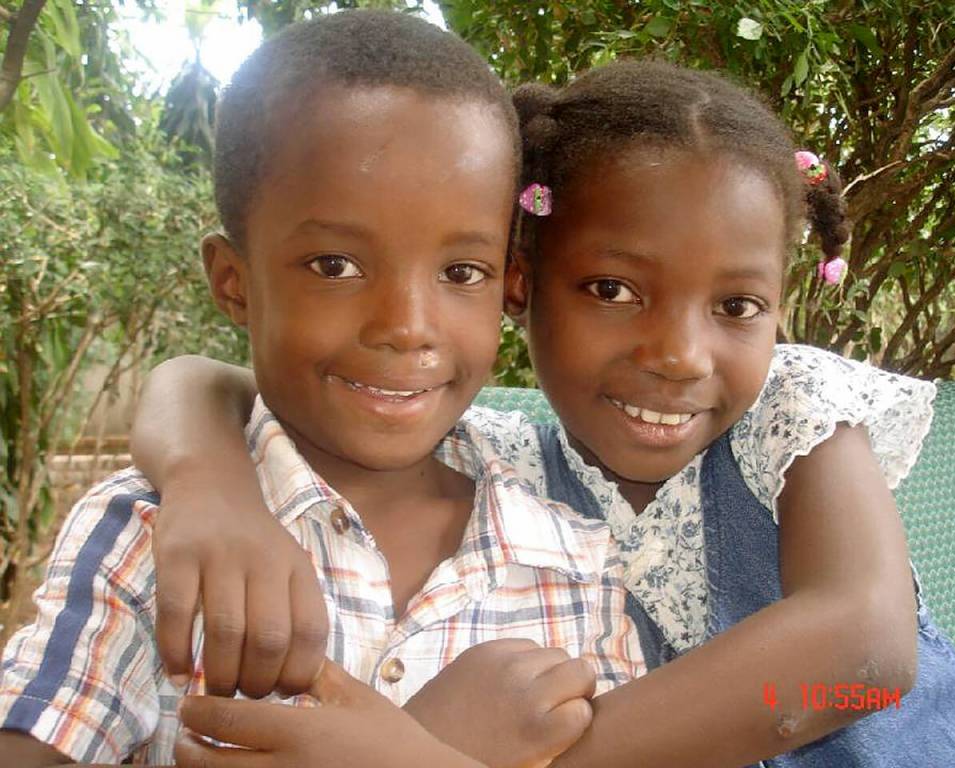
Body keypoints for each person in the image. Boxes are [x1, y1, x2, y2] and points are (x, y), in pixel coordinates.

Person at [129, 57, 955, 767]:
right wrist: (208, 481)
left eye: (738, 307)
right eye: (612, 288)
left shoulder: (790, 414)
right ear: (521, 287)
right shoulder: (504, 470)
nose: (679, 353)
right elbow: (208, 380)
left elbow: (864, 658)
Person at [0, 12, 647, 767]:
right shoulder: (147, 537)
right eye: (336, 266)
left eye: (459, 272)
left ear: (507, 284)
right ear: (233, 283)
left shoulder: (571, 562)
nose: (407, 328)